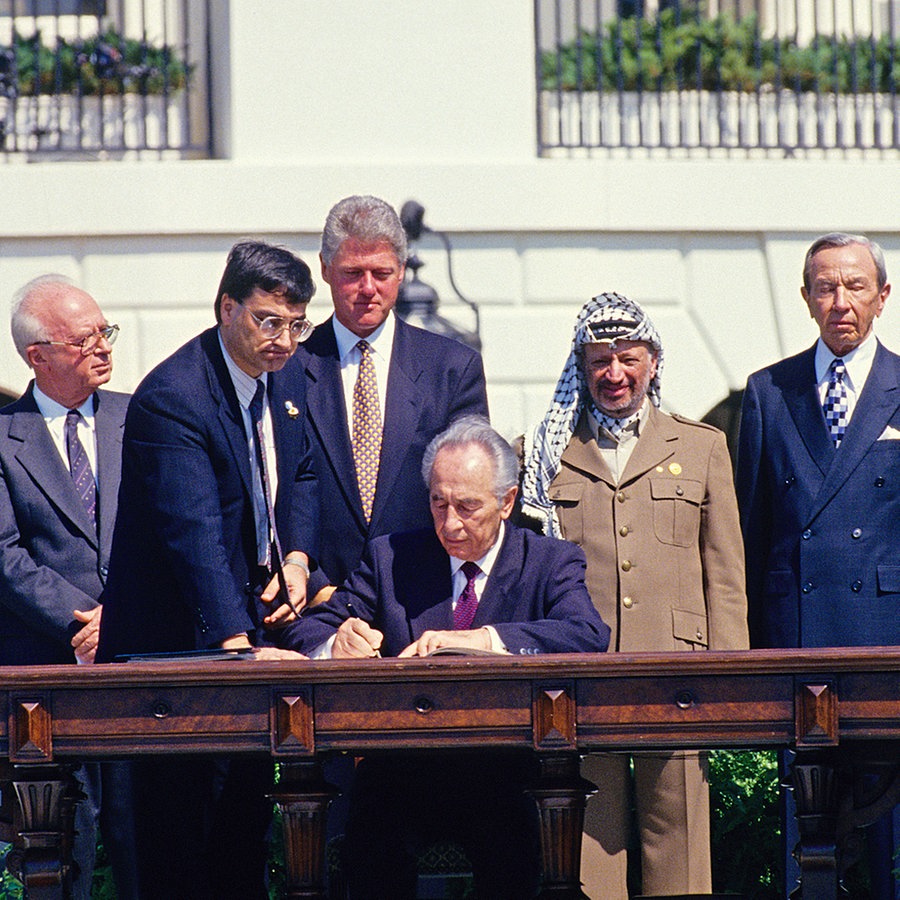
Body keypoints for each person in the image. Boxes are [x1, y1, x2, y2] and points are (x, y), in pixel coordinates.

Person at [285, 415, 610, 899]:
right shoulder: (391, 558)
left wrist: (484, 640)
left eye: (467, 506)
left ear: (507, 501)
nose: (450, 523)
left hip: (503, 771)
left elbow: (586, 634)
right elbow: (306, 631)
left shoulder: (549, 560)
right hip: (400, 770)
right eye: (439, 504)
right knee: (369, 857)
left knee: (516, 862)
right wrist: (338, 642)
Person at [96, 240, 319, 899]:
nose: (283, 340)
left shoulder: (288, 379)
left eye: (296, 323)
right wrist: (238, 651)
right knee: (179, 846)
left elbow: (301, 471)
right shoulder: (175, 397)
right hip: (176, 652)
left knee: (241, 833)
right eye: (268, 321)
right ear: (228, 309)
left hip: (245, 635)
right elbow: (191, 534)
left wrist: (298, 557)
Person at [520, 292, 748, 899]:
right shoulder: (546, 454)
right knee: (590, 850)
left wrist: (727, 677)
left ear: (652, 361)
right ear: (581, 366)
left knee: (679, 845)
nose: (613, 374)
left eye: (627, 357)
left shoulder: (700, 447)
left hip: (677, 673)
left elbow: (724, 574)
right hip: (582, 674)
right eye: (598, 360)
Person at [736, 232, 898, 899]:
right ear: (805, 299)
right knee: (807, 830)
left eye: (855, 286)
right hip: (799, 636)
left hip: (887, 638)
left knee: (891, 830)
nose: (841, 302)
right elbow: (749, 530)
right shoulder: (768, 391)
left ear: (882, 296)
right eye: (825, 287)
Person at [0, 276, 138, 899]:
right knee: (61, 855)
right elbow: (4, 556)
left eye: (105, 332)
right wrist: (84, 622)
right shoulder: (4, 436)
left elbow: (171, 533)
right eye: (85, 340)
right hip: (46, 678)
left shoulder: (138, 419)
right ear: (39, 356)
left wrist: (127, 617)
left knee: (149, 847)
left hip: (139, 672)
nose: (103, 348)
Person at [294, 194, 489, 602]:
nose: (368, 289)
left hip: (423, 603)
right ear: (326, 270)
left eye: (381, 273)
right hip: (317, 608)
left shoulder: (453, 368)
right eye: (352, 273)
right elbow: (276, 490)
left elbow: (470, 493)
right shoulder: (289, 368)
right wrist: (316, 588)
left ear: (401, 271)